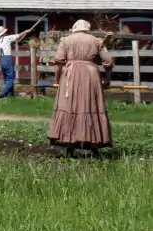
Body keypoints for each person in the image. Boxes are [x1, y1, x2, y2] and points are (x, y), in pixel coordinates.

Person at [48, 20, 113, 157]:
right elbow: (108, 61)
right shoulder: (96, 41)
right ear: (87, 29)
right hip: (91, 75)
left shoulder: (66, 40)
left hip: (70, 76)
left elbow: (59, 62)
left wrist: (57, 80)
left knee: (69, 106)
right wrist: (107, 79)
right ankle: (94, 144)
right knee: (91, 106)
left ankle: (69, 144)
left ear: (74, 29)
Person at [0, 24, 39, 98]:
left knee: (6, 78)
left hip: (1, 59)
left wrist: (10, 47)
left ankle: (10, 95)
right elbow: (18, 35)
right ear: (4, 33)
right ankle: (2, 93)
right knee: (11, 78)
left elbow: (0, 51)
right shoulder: (7, 38)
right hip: (7, 59)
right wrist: (25, 31)